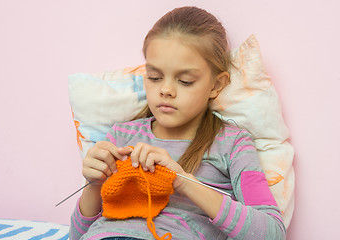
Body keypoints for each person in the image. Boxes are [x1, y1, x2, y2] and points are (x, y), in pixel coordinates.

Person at [69, 6, 286, 240]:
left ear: (216, 85)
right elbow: (76, 235)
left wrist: (182, 181)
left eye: (185, 81)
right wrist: (92, 185)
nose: (165, 90)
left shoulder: (232, 144)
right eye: (154, 77)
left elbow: (272, 233)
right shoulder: (121, 136)